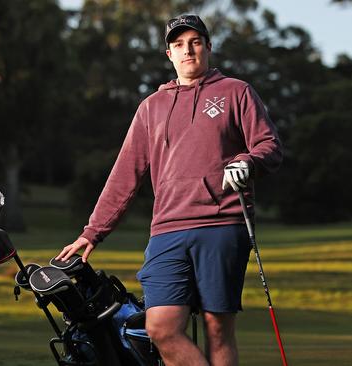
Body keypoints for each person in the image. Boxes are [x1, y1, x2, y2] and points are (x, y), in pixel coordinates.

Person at [56, 14, 282, 366]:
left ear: (208, 46)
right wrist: (93, 232)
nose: (187, 50)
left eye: (195, 42)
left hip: (222, 224)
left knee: (217, 328)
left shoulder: (236, 91)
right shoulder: (151, 107)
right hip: (167, 230)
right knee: (160, 328)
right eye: (179, 44)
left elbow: (268, 145)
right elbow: (125, 175)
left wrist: (247, 162)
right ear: (169, 53)